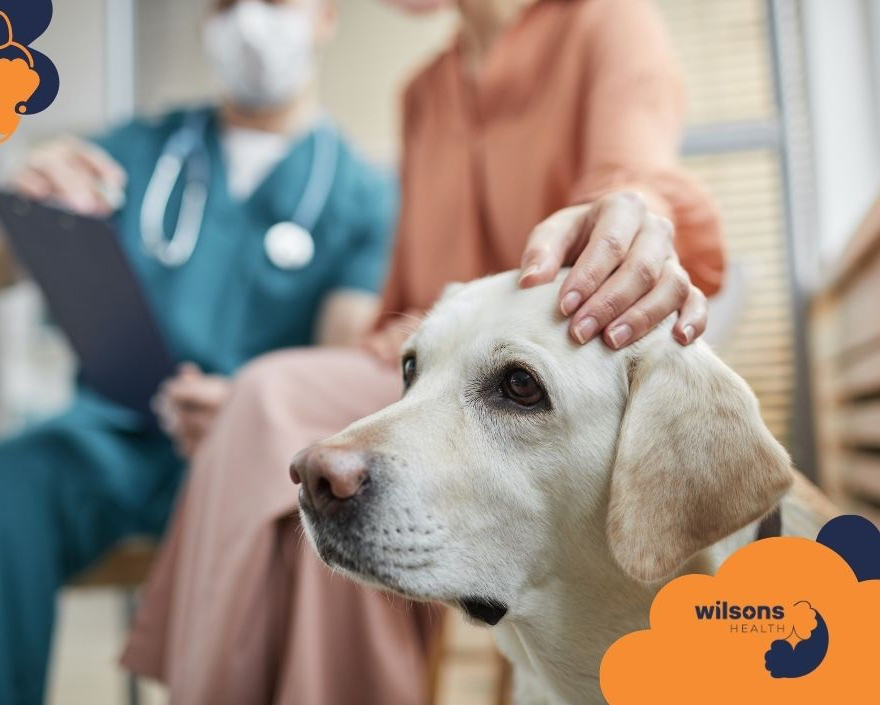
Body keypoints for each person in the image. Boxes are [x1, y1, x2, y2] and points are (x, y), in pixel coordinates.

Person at [121, 0, 724, 703]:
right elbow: (405, 312)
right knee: (279, 434)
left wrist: (632, 215)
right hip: (423, 373)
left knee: (271, 402)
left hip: (548, 385)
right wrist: (283, 401)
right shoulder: (423, 93)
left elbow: (635, 174)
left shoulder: (604, 21)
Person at [0, 1, 397, 703]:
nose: (249, 22)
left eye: (275, 2)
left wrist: (245, 411)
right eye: (225, 4)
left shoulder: (363, 194)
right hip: (111, 441)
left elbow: (337, 357)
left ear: (326, 16)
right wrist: (28, 196)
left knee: (301, 544)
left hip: (251, 457)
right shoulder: (140, 150)